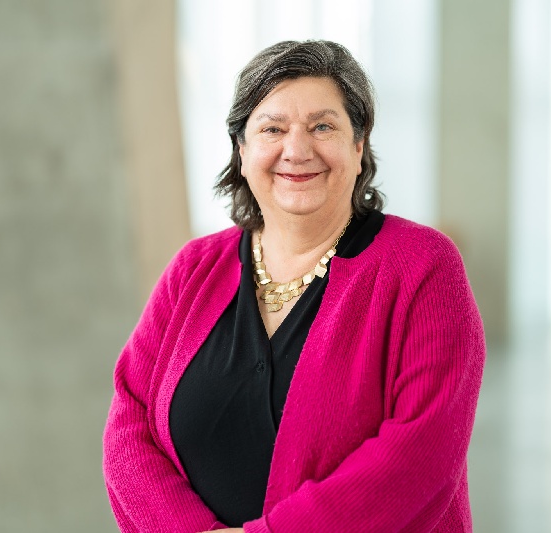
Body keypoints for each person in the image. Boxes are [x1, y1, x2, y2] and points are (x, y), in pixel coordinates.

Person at [103, 40, 485, 532]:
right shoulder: (193, 268)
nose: (297, 150)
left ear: (358, 146)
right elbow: (128, 424)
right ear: (242, 151)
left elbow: (420, 455)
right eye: (273, 129)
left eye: (323, 126)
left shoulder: (423, 266)